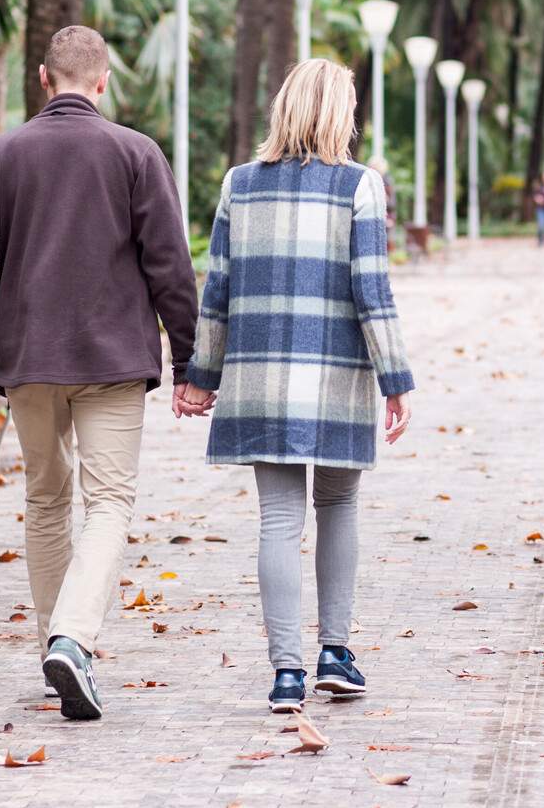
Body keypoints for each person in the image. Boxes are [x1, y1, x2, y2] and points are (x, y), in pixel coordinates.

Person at [0, 25, 204, 723]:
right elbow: (170, 268)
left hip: (30, 361)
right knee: (110, 502)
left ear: (42, 77)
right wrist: (189, 359)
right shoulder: (135, 153)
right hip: (113, 362)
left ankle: (54, 648)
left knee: (47, 500)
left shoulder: (0, 155)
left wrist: (2, 327)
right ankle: (73, 640)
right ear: (104, 81)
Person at [176, 59, 415, 715]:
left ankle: (286, 673)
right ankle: (334, 654)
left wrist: (201, 377)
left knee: (278, 521)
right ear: (341, 114)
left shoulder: (240, 185)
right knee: (337, 508)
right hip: (338, 378)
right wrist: (396, 381)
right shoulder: (359, 187)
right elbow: (373, 292)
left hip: (260, 382)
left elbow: (216, 291)